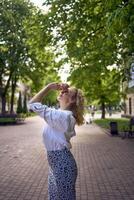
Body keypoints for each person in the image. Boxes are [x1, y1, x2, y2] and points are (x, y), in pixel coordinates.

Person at [28, 82, 84, 200]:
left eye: (66, 91)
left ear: (72, 100)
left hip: (62, 165)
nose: (62, 91)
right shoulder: (62, 115)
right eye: (63, 90)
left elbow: (31, 104)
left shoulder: (63, 117)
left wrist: (48, 88)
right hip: (56, 165)